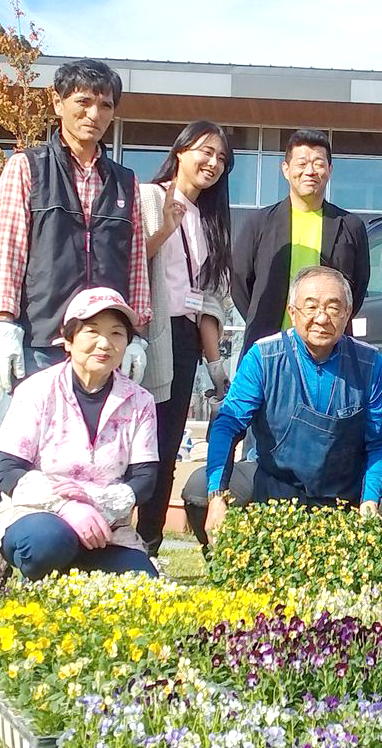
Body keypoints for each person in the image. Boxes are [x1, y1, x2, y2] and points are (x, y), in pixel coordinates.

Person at [0, 59, 152, 577]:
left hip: (102, 339)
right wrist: (4, 323)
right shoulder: (27, 167)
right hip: (40, 335)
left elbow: (134, 261)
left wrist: (137, 333)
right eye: (82, 102)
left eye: (104, 105)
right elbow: (8, 249)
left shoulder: (124, 183)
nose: (93, 114)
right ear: (58, 103)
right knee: (8, 455)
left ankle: (85, 551)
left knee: (100, 456)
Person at [181, 266, 382, 546]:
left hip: (342, 492)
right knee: (198, 489)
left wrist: (369, 501)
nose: (321, 318)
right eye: (311, 306)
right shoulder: (264, 357)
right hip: (273, 483)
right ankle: (231, 566)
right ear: (292, 312)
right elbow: (228, 426)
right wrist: (217, 494)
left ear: (347, 314)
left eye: (333, 307)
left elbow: (378, 444)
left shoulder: (370, 364)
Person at [0, 287, 159, 580]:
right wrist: (68, 506)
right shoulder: (35, 390)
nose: (104, 343)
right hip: (40, 516)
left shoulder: (140, 400)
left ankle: (75, 578)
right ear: (68, 340)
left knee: (142, 582)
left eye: (117, 334)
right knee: (48, 544)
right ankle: (43, 582)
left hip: (107, 528)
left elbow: (144, 479)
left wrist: (94, 504)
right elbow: (8, 472)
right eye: (92, 331)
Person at [135, 121, 233, 557]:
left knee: (167, 445)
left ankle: (147, 546)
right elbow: (129, 263)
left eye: (221, 159)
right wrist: (164, 230)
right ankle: (115, 542)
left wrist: (216, 368)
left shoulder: (210, 220)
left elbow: (208, 301)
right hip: (147, 334)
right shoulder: (149, 198)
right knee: (134, 441)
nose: (212, 163)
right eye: (205, 152)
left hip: (185, 339)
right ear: (180, 152)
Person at [231, 129, 370, 356]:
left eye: (318, 163)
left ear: (329, 170)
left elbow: (358, 288)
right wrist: (266, 314)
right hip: (269, 346)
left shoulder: (350, 226)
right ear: (286, 170)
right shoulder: (259, 223)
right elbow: (240, 282)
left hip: (330, 350)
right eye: (302, 163)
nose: (310, 171)